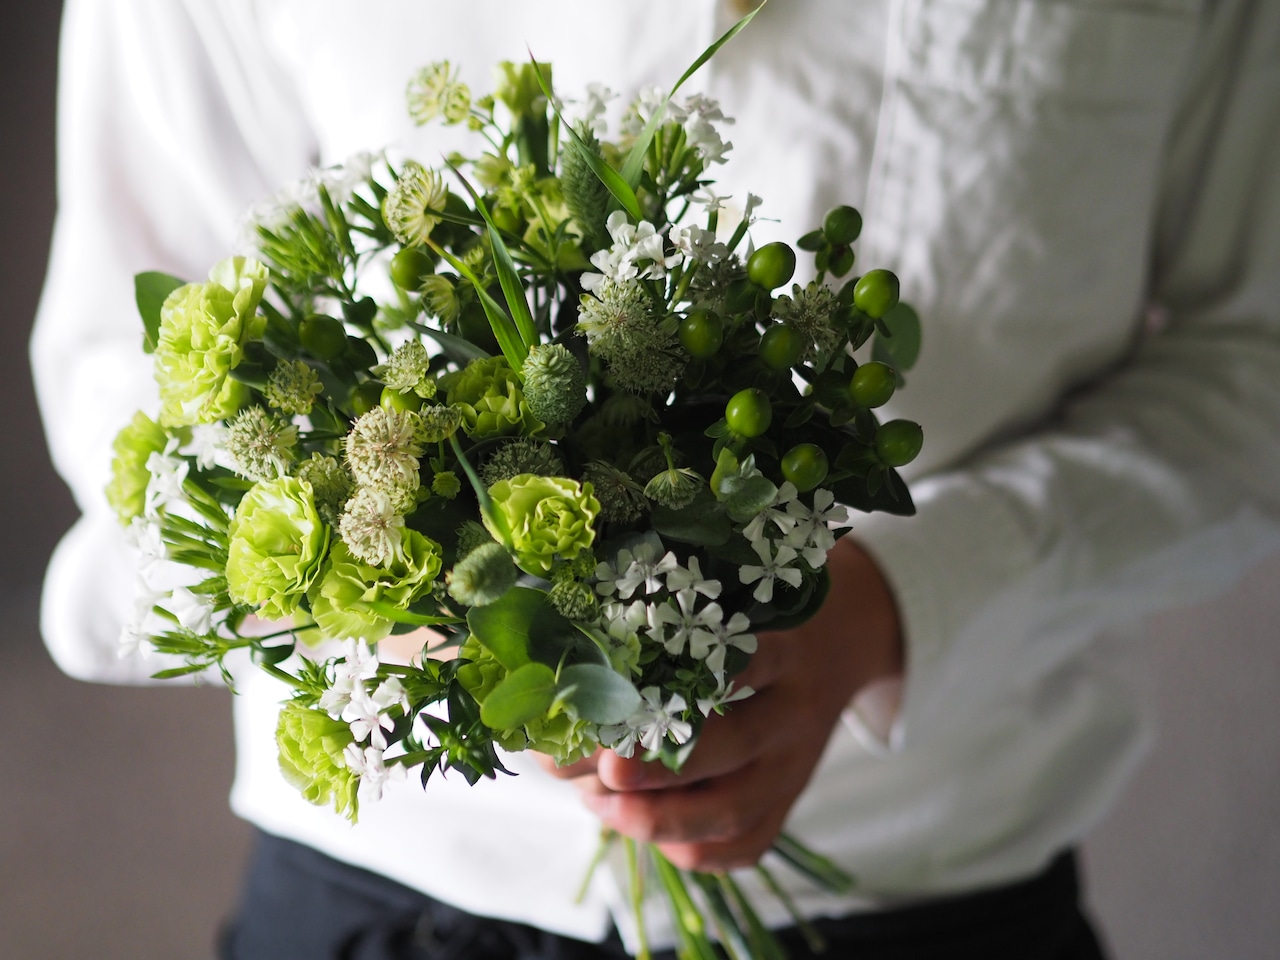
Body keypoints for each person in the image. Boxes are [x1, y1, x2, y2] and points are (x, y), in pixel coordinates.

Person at [32, 0, 1280, 957]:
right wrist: (410, 610)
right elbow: (129, 362)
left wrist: (896, 605)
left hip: (931, 895)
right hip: (385, 899)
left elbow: (1255, 364)